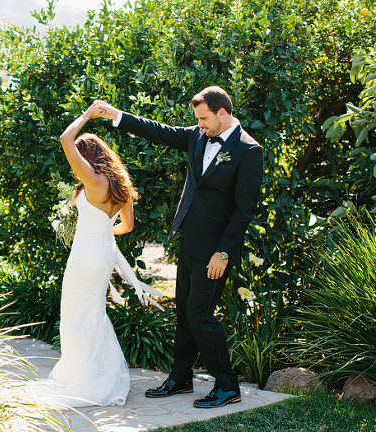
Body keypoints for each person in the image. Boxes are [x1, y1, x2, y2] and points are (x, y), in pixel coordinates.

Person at [93, 85, 264, 408]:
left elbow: (244, 211)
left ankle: (228, 386)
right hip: (189, 242)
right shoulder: (198, 136)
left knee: (200, 316)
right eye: (197, 120)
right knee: (185, 314)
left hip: (216, 251)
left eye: (204, 119)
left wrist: (224, 253)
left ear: (222, 113)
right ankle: (181, 378)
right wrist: (117, 116)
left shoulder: (248, 151)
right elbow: (157, 131)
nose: (200, 125)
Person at [27, 103, 161, 407]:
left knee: (75, 315)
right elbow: (126, 227)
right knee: (94, 314)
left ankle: (81, 376)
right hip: (102, 254)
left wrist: (87, 115)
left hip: (86, 255)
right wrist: (102, 231)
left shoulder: (93, 181)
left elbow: (65, 139)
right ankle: (98, 373)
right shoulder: (121, 188)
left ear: (87, 158)